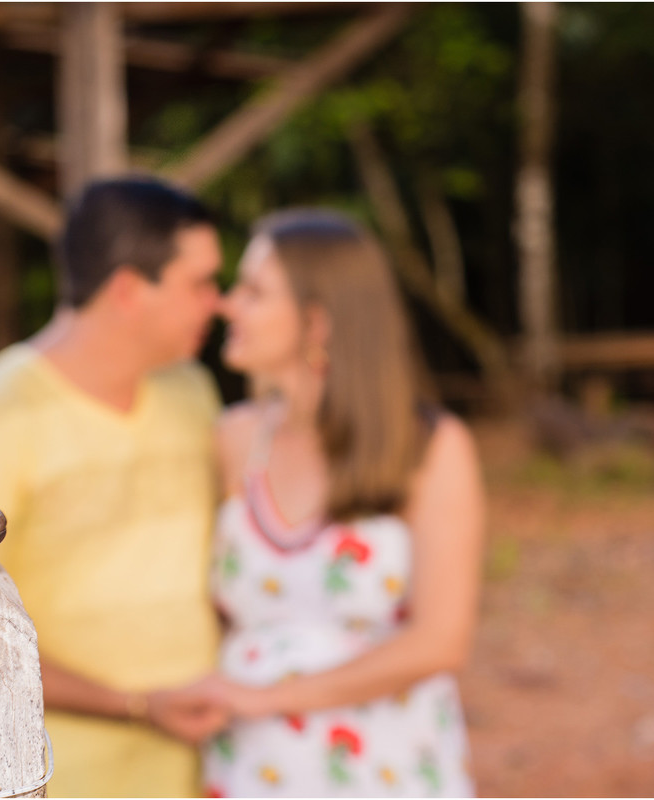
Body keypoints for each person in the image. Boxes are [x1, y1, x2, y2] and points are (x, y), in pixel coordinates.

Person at [0, 177, 229, 797]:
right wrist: (139, 705)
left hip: (208, 771)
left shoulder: (193, 393)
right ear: (127, 290)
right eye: (201, 283)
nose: (218, 304)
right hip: (59, 778)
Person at [196, 209, 485, 797]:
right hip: (250, 767)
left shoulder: (428, 446)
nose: (228, 305)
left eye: (254, 292)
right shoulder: (235, 439)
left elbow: (441, 639)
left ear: (317, 321)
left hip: (383, 766)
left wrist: (268, 697)